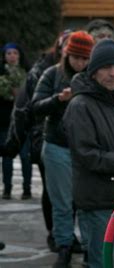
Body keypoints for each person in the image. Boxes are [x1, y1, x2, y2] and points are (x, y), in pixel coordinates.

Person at [63, 39, 114, 268]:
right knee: (101, 264)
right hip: (98, 203)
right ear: (94, 72)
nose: (113, 74)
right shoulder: (80, 106)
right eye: (106, 67)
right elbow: (88, 156)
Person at [4, 30, 71, 250]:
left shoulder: (83, 71)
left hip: (73, 139)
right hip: (44, 137)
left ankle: (68, 235)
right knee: (51, 190)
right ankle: (55, 233)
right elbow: (25, 108)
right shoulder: (42, 71)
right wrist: (15, 142)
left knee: (72, 193)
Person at [32, 31, 94, 268]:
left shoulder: (93, 77)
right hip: (57, 145)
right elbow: (35, 107)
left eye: (84, 58)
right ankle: (64, 246)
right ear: (67, 55)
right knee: (62, 202)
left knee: (85, 200)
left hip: (85, 148)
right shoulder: (52, 74)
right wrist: (59, 99)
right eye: (76, 58)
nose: (80, 63)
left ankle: (87, 246)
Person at [0, 43, 29, 199]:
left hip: (23, 122)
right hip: (4, 122)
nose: (12, 56)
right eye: (8, 53)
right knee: (6, 157)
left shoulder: (26, 73)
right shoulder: (1, 74)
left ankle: (26, 188)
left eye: (15, 53)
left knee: (25, 157)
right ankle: (7, 188)